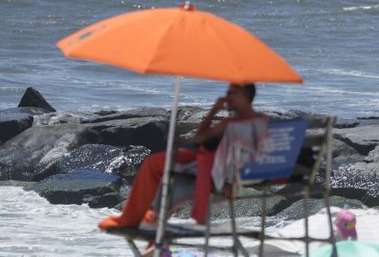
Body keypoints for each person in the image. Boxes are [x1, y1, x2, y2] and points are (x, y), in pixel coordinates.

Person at [98, 83, 264, 230]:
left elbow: (199, 139)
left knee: (159, 171)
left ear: (244, 96)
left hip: (212, 177)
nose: (226, 98)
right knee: (166, 179)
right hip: (230, 177)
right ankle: (152, 228)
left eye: (230, 94)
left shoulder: (229, 123)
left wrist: (214, 110)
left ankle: (140, 222)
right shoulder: (261, 121)